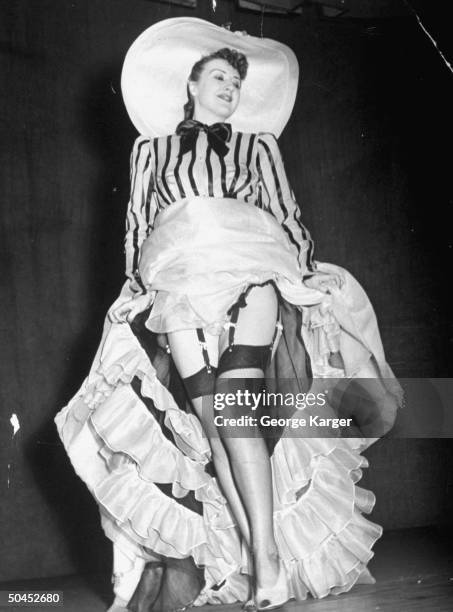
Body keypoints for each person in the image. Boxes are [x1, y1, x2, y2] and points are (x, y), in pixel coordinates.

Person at [55, 17, 401, 612]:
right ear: (191, 84)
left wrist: (309, 271)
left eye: (236, 83)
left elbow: (286, 213)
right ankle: (251, 558)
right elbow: (138, 226)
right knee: (213, 425)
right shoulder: (150, 150)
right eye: (219, 77)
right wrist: (135, 289)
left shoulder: (258, 146)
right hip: (178, 286)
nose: (229, 89)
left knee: (240, 413)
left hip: (250, 271)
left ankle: (268, 561)